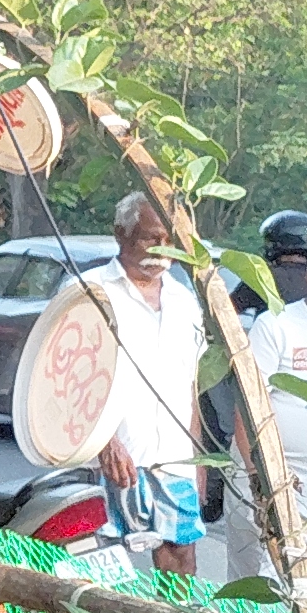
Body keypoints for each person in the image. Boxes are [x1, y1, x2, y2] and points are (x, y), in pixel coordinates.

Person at [89, 191, 214, 577]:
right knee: (110, 575)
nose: (162, 249)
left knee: (180, 564)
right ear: (120, 234)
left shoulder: (185, 301)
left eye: (170, 240)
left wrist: (199, 463)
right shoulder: (91, 293)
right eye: (150, 237)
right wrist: (104, 442)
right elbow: (63, 382)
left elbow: (190, 389)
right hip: (112, 463)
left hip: (175, 462)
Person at [230, 238, 307, 580]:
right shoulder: (278, 327)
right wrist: (262, 480)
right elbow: (248, 409)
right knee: (270, 584)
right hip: (286, 482)